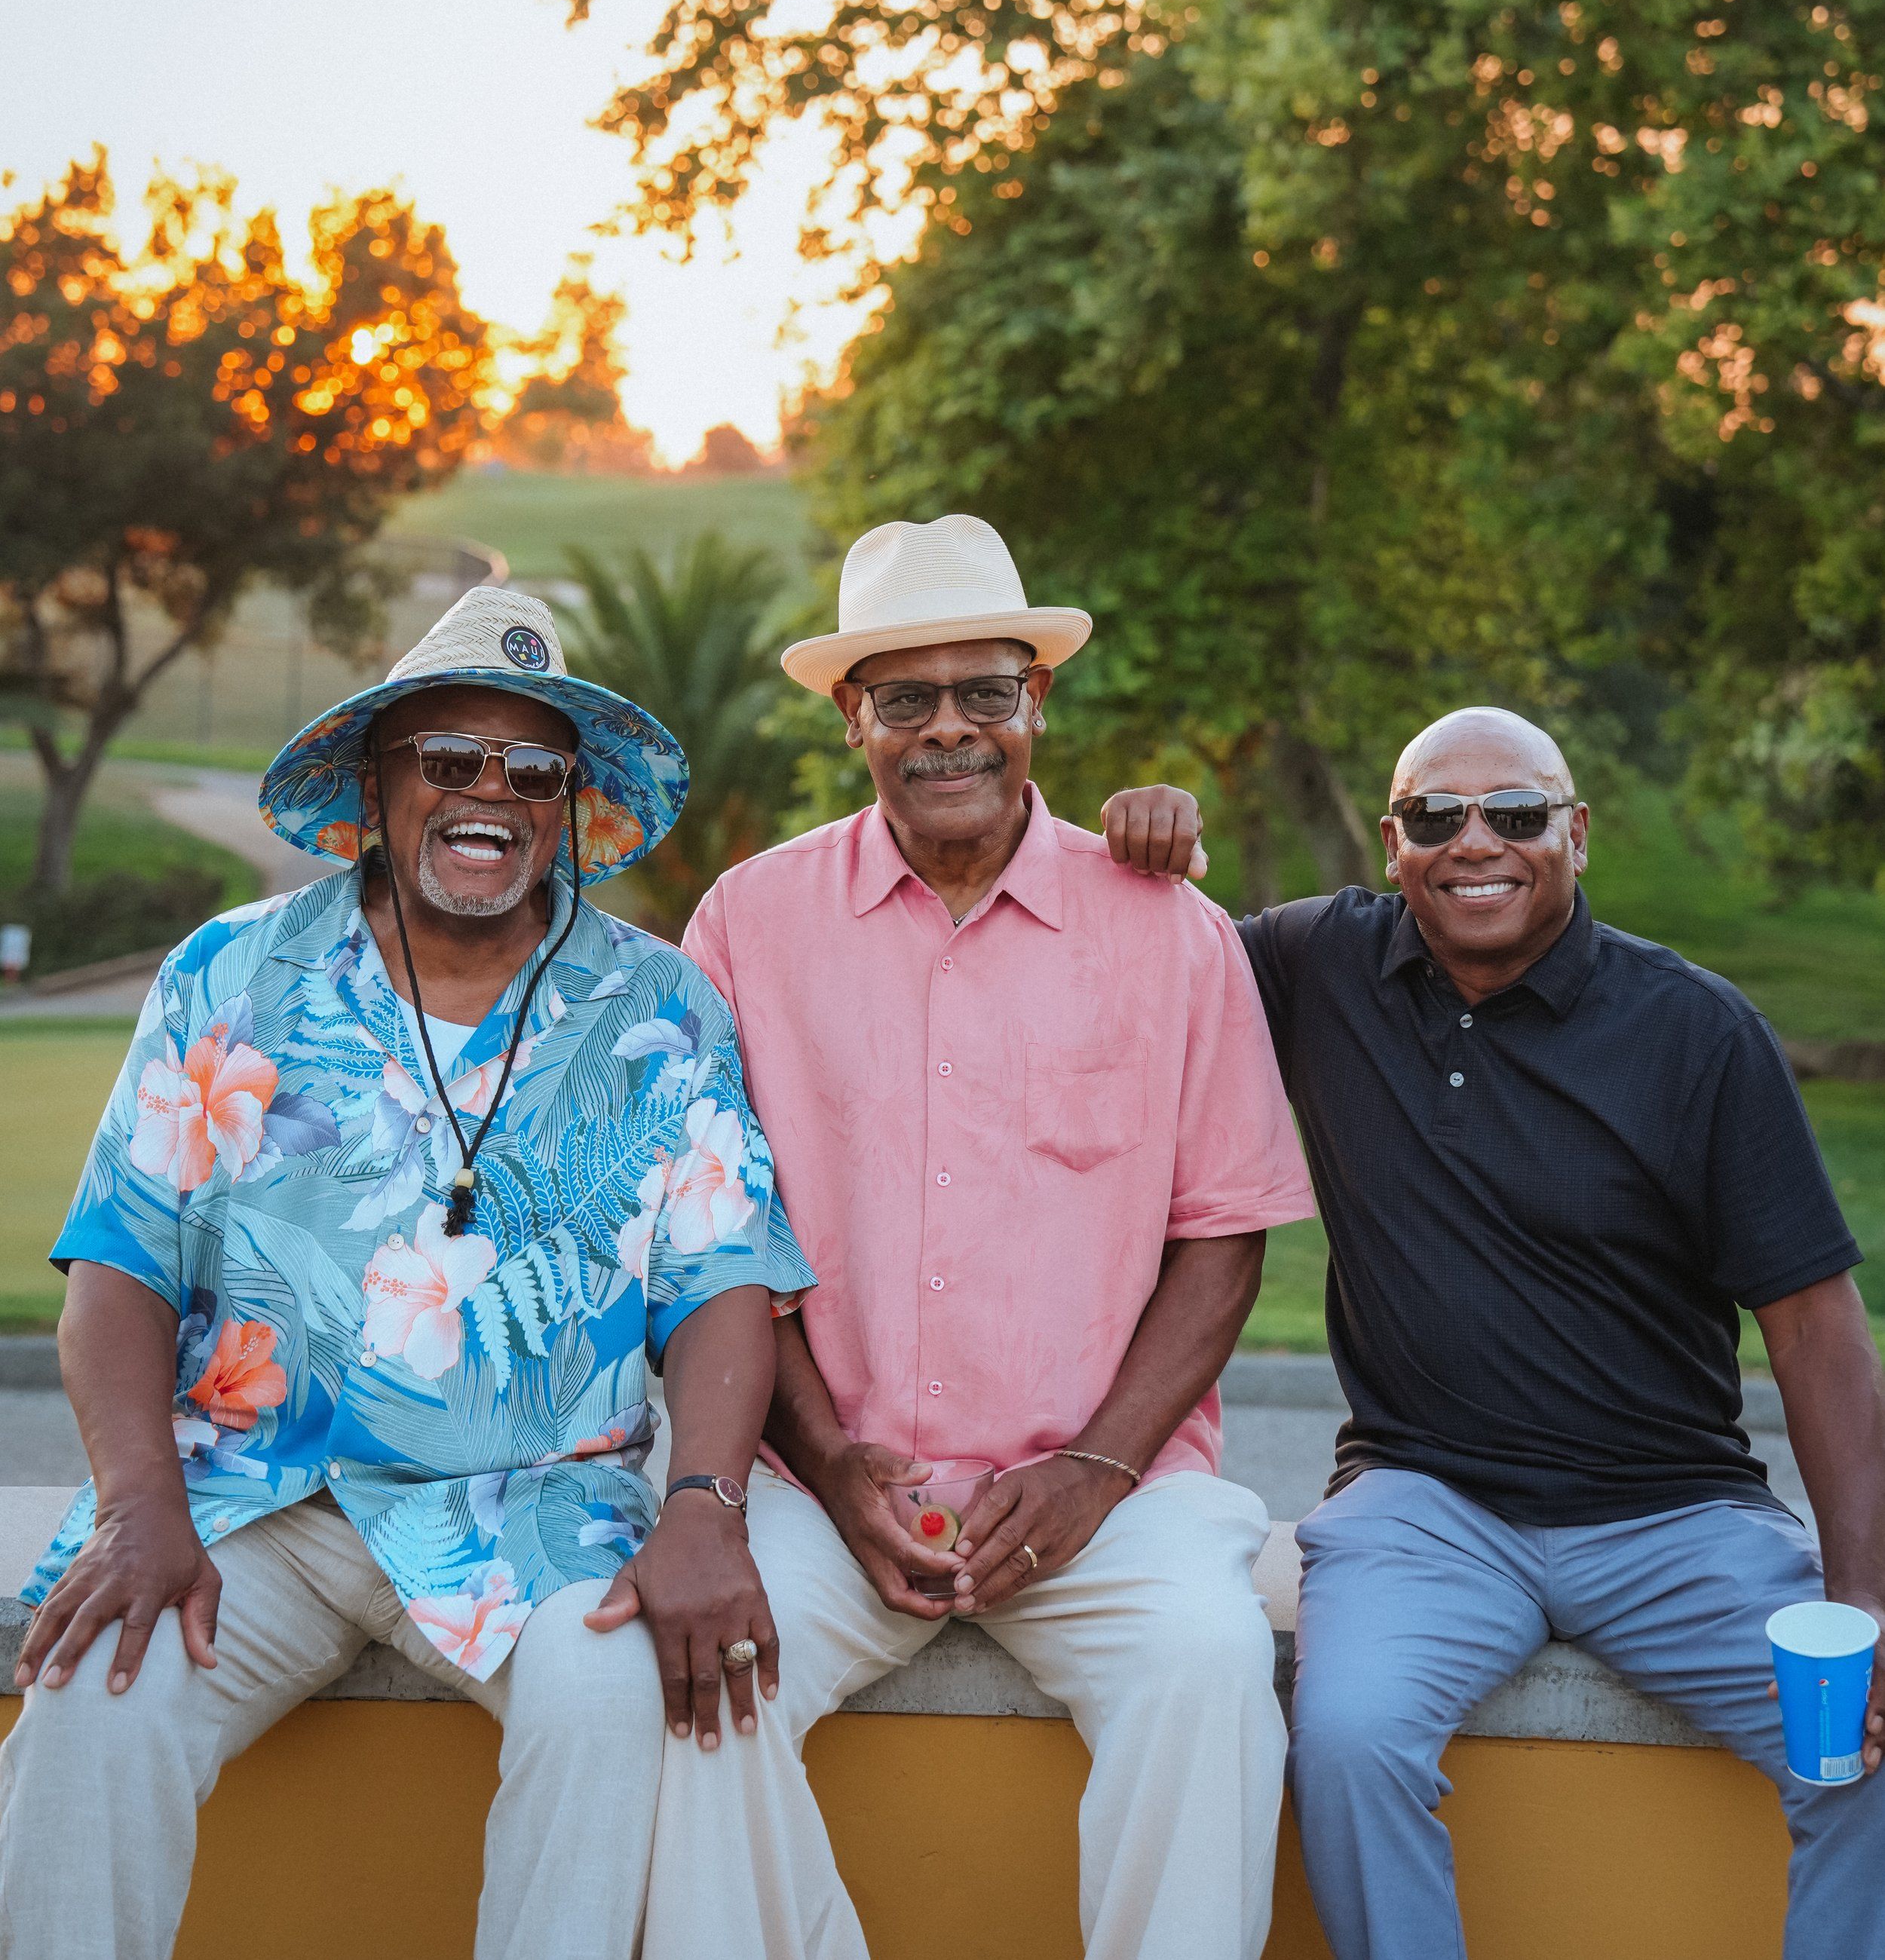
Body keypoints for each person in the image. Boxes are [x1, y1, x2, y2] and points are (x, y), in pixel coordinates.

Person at [0, 585, 814, 1960]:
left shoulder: (661, 1005)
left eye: (534, 770)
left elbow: (724, 1280)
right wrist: (138, 1502)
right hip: (251, 1495)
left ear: (568, 805)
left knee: (617, 1696)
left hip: (538, 1508)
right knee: (91, 1691)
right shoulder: (231, 975)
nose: (490, 792)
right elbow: (120, 1266)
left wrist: (704, 1502)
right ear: (378, 781)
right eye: (448, 758)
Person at [1102, 707, 1885, 1960]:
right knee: (1346, 1738)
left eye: (1516, 815)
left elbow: (1817, 1329)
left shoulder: (1697, 1030)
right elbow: (1132, 953)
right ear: (1394, 840)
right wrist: (1150, 838)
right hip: (1427, 1505)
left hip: (1674, 1514)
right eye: (1437, 816)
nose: (1479, 842)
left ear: (1575, 833)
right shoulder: (1318, 964)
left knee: (1860, 1750)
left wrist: (1865, 1590)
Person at [654, 513, 1316, 1960]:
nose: (949, 729)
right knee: (695, 1683)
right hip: (824, 1486)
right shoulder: (748, 924)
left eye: (985, 693)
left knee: (1211, 1671)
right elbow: (717, 1242)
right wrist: (827, 1465)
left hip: (1109, 1496)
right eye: (907, 699)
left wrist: (1093, 1471)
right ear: (853, 720)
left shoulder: (1167, 925)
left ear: (1039, 704)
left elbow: (1223, 1234)